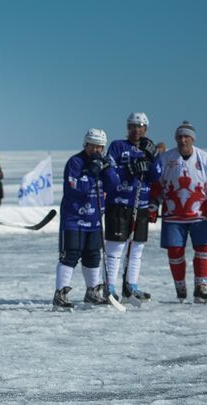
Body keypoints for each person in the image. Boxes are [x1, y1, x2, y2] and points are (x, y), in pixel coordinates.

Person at [153, 121, 207, 303]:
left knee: (204, 249)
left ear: (192, 139)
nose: (183, 140)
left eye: (186, 136)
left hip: (199, 215)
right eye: (180, 136)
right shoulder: (165, 159)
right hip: (173, 216)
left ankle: (201, 287)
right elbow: (156, 185)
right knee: (175, 251)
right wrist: (153, 205)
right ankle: (180, 287)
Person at [54, 129, 120, 309]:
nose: (96, 150)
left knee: (93, 255)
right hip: (74, 218)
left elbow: (114, 185)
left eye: (100, 147)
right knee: (71, 254)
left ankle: (92, 291)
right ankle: (60, 293)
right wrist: (91, 172)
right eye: (93, 146)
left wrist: (106, 169)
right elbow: (77, 187)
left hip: (95, 218)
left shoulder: (104, 162)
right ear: (86, 145)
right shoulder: (75, 162)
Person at [103, 112, 162, 302]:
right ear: (128, 128)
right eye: (132, 126)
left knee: (136, 248)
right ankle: (109, 287)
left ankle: (131, 286)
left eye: (140, 126)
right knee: (116, 247)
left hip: (141, 204)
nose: (136, 130)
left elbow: (156, 176)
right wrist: (128, 169)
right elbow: (109, 171)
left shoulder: (149, 148)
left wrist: (153, 158)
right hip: (119, 203)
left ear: (146, 128)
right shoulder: (117, 146)